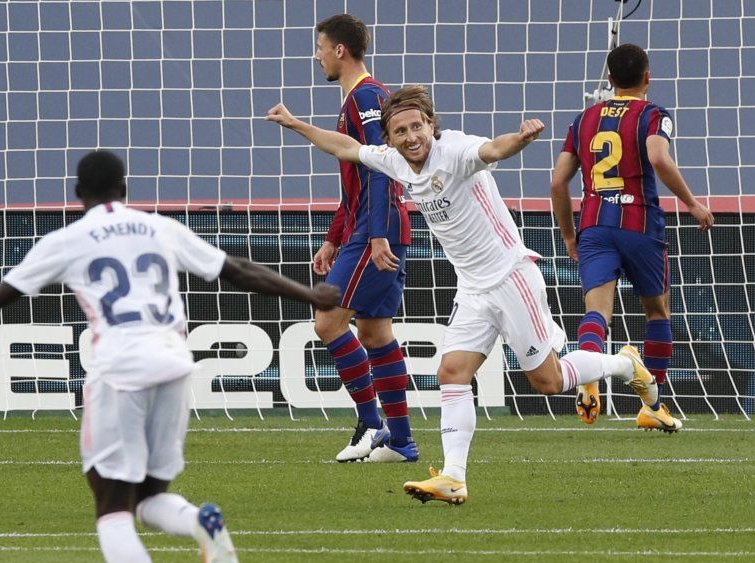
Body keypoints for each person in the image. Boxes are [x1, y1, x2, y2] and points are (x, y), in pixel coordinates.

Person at [0, 150, 340, 563]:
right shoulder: (158, 228)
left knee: (111, 506)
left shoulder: (68, 239)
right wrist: (311, 297)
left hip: (120, 372)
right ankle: (197, 522)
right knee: (148, 497)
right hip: (174, 365)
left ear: (78, 195)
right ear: (126, 188)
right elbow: (236, 270)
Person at [267, 86, 658, 506]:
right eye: (400, 130)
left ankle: (623, 364)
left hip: (511, 277)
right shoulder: (395, 162)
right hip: (472, 288)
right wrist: (296, 124)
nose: (411, 135)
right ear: (390, 139)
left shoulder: (454, 150)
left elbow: (492, 149)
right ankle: (453, 477)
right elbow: (346, 147)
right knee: (451, 373)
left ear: (431, 126)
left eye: (417, 126)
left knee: (548, 380)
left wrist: (520, 139)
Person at [551, 43, 714, 432]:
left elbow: (558, 181)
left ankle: (589, 372)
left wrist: (569, 236)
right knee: (657, 313)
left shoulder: (584, 119)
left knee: (597, 312)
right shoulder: (654, 114)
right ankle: (652, 406)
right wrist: (692, 203)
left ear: (608, 80)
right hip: (640, 225)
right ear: (647, 77)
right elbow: (658, 158)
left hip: (594, 226)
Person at [310, 14, 416, 463]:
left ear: (339, 50)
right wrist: (334, 238)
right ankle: (401, 441)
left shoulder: (367, 97)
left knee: (327, 322)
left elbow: (378, 168)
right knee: (374, 333)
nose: (315, 56)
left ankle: (371, 426)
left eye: (319, 47)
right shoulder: (354, 100)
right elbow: (354, 182)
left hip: (379, 229)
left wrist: (373, 237)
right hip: (369, 227)